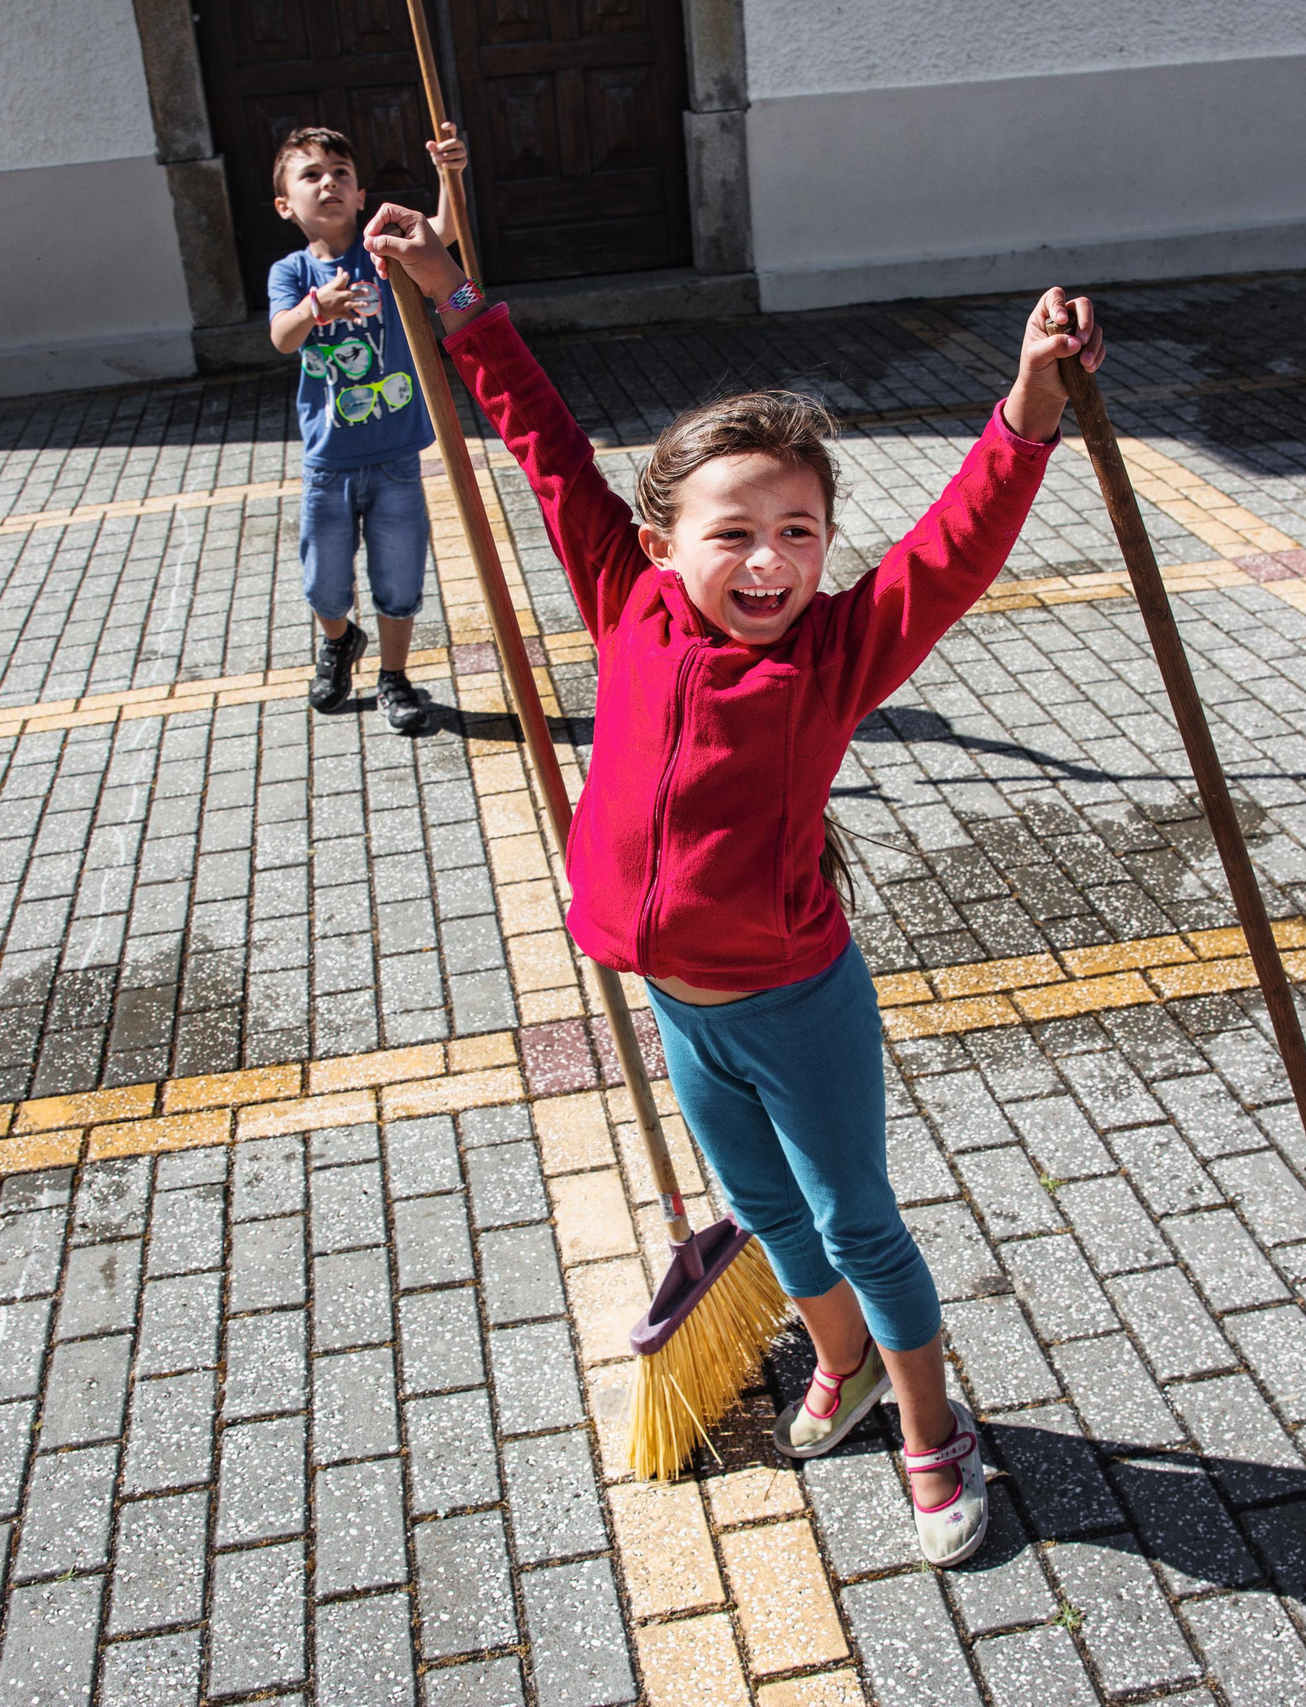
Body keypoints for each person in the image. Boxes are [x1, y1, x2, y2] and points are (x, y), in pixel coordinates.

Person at [365, 200, 1104, 1567]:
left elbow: (952, 550)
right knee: (765, 1212)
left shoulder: (832, 655)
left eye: (801, 530)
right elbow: (543, 443)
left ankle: (937, 1425)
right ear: (661, 544)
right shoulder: (623, 596)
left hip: (794, 999)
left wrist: (1028, 408)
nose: (770, 561)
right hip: (680, 1007)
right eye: (735, 532)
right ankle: (848, 1365)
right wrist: (455, 300)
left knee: (854, 1218)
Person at [267, 122, 471, 734]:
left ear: (359, 196)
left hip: (396, 459)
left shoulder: (383, 253)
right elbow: (281, 338)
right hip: (328, 463)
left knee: (399, 576)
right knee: (324, 581)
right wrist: (315, 309)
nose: (328, 182)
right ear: (286, 205)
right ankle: (339, 639)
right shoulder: (291, 272)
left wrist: (450, 176)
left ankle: (394, 676)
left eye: (340, 174)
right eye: (311, 175)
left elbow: (445, 235)